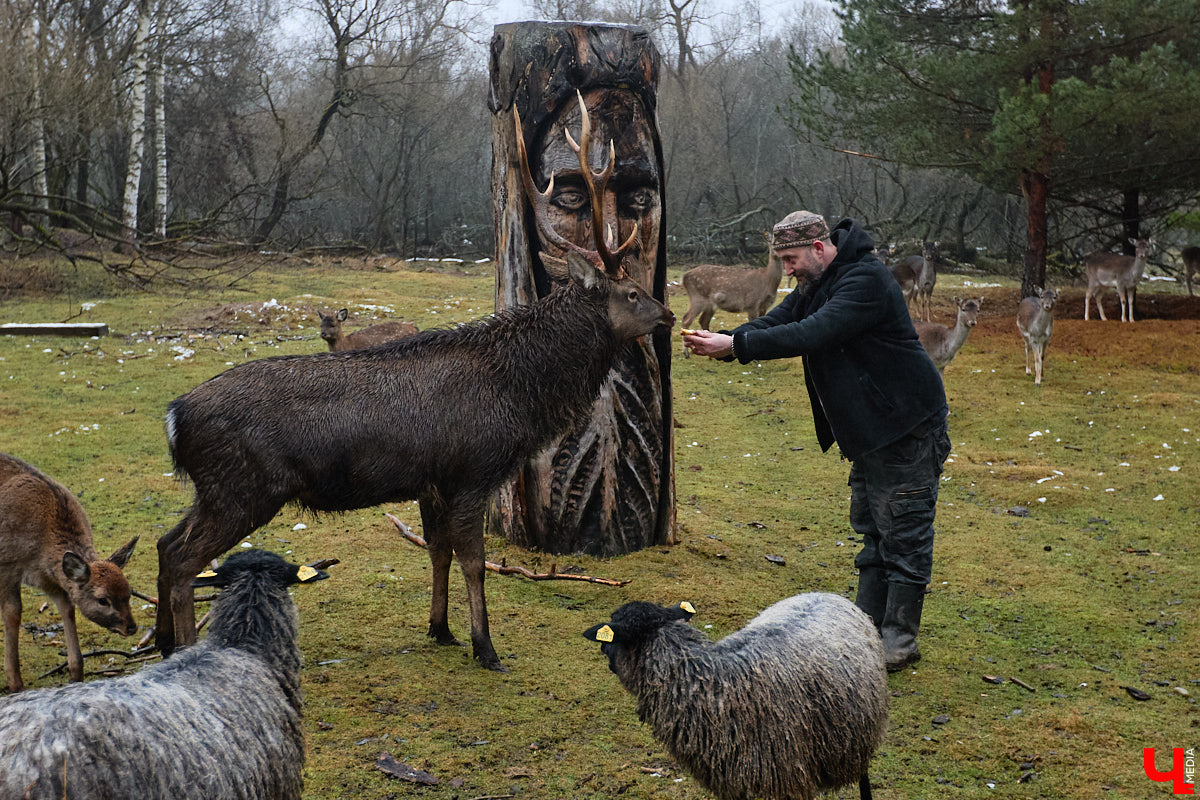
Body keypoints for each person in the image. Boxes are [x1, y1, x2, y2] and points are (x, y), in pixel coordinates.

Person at [684, 211, 950, 672]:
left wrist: (737, 348)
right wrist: (728, 338)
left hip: (905, 425)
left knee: (904, 532)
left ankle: (899, 640)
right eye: (782, 259)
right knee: (873, 528)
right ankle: (867, 630)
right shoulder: (819, 281)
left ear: (820, 249)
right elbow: (783, 318)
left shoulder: (865, 281)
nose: (786, 269)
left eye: (791, 259)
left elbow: (812, 332)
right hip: (871, 429)